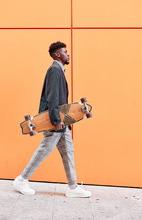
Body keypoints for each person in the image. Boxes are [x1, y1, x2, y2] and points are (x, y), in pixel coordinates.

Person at [13, 41, 91, 198]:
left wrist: (63, 119)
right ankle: (21, 180)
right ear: (57, 55)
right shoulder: (55, 70)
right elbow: (52, 98)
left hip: (62, 121)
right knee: (44, 150)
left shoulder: (59, 70)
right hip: (53, 121)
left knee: (68, 151)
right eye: (65, 52)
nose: (68, 54)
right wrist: (56, 120)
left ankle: (73, 187)